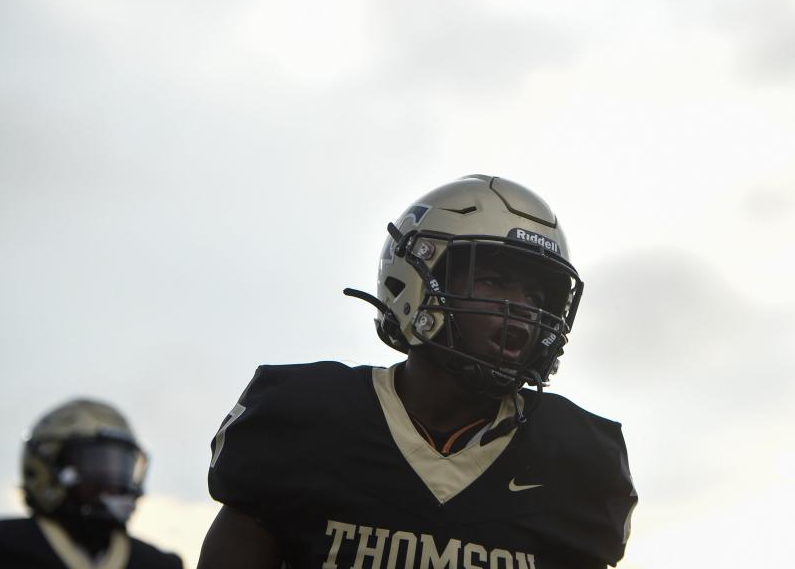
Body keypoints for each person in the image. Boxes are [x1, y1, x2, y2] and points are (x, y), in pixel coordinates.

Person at [199, 174, 638, 569]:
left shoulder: (576, 459)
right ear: (419, 275)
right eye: (492, 280)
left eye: (536, 296)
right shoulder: (308, 417)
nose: (521, 311)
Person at [0, 398, 183, 569]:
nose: (112, 484)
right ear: (47, 470)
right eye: (97, 465)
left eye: (120, 468)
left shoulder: (157, 563)